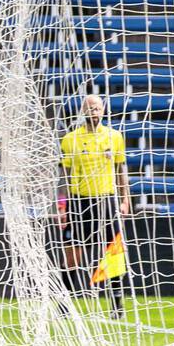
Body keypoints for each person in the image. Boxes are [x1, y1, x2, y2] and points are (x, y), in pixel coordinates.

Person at [58, 95, 132, 315]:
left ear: (103, 111)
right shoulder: (70, 139)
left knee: (114, 252)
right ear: (82, 112)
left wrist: (125, 199)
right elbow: (63, 175)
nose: (94, 111)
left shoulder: (114, 137)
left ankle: (117, 305)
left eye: (98, 108)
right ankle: (64, 306)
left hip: (106, 200)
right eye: (90, 108)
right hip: (79, 201)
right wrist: (61, 205)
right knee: (73, 254)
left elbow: (121, 169)